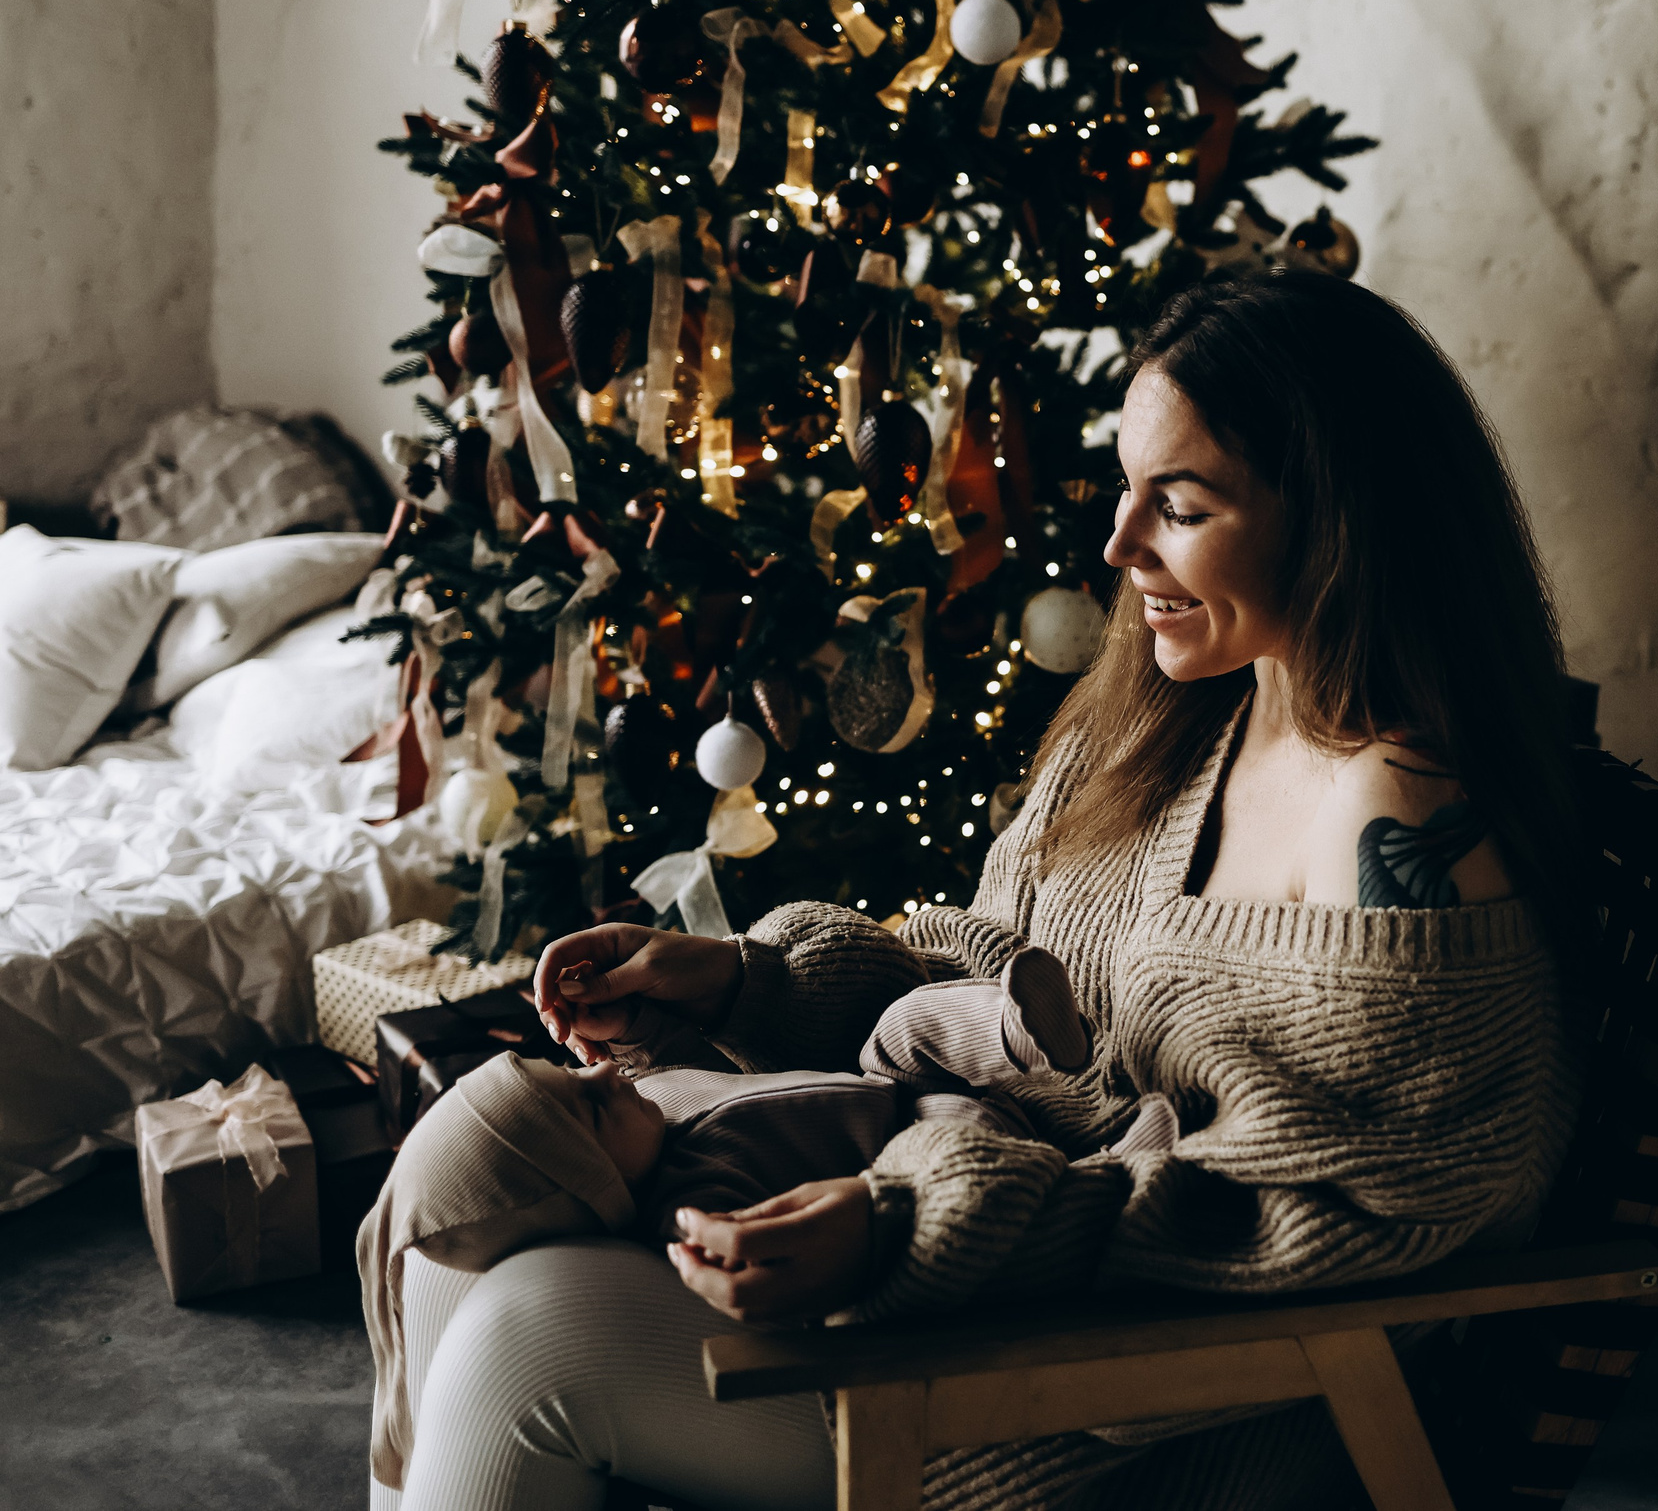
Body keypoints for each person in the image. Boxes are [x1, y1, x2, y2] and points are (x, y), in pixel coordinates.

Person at [385, 268, 1586, 1511]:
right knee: (454, 1244)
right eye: (1128, 491)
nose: (1120, 550)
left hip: (1119, 1400)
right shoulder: (1175, 714)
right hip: (985, 1266)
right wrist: (753, 980)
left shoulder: (1397, 814)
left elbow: (1331, 1220)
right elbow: (999, 984)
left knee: (528, 1334)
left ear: (1339, 521)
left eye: (1177, 506)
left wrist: (909, 1230)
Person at [362, 948, 1146, 1496]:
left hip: (891, 1081)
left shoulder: (642, 1101)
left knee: (907, 1023)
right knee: (439, 1249)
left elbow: (682, 1059)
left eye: (573, 1070)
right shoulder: (690, 1195)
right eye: (592, 1106)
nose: (600, 1071)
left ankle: (1020, 1030)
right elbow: (743, 1252)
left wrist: (635, 1025)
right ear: (601, 1191)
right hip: (922, 1146)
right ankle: (1080, 1130)